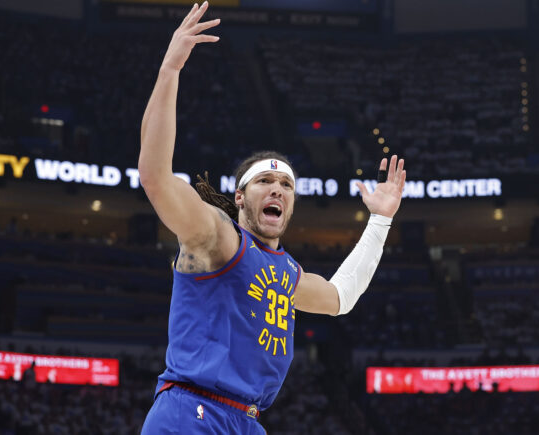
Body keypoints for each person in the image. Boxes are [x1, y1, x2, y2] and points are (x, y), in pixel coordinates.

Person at [138, 2, 406, 433]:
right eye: (264, 181)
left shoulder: (287, 273)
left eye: (285, 185)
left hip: (247, 420)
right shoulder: (217, 237)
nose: (277, 189)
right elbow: (155, 177)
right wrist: (170, 71)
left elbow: (342, 297)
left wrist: (380, 221)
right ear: (240, 197)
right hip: (193, 410)